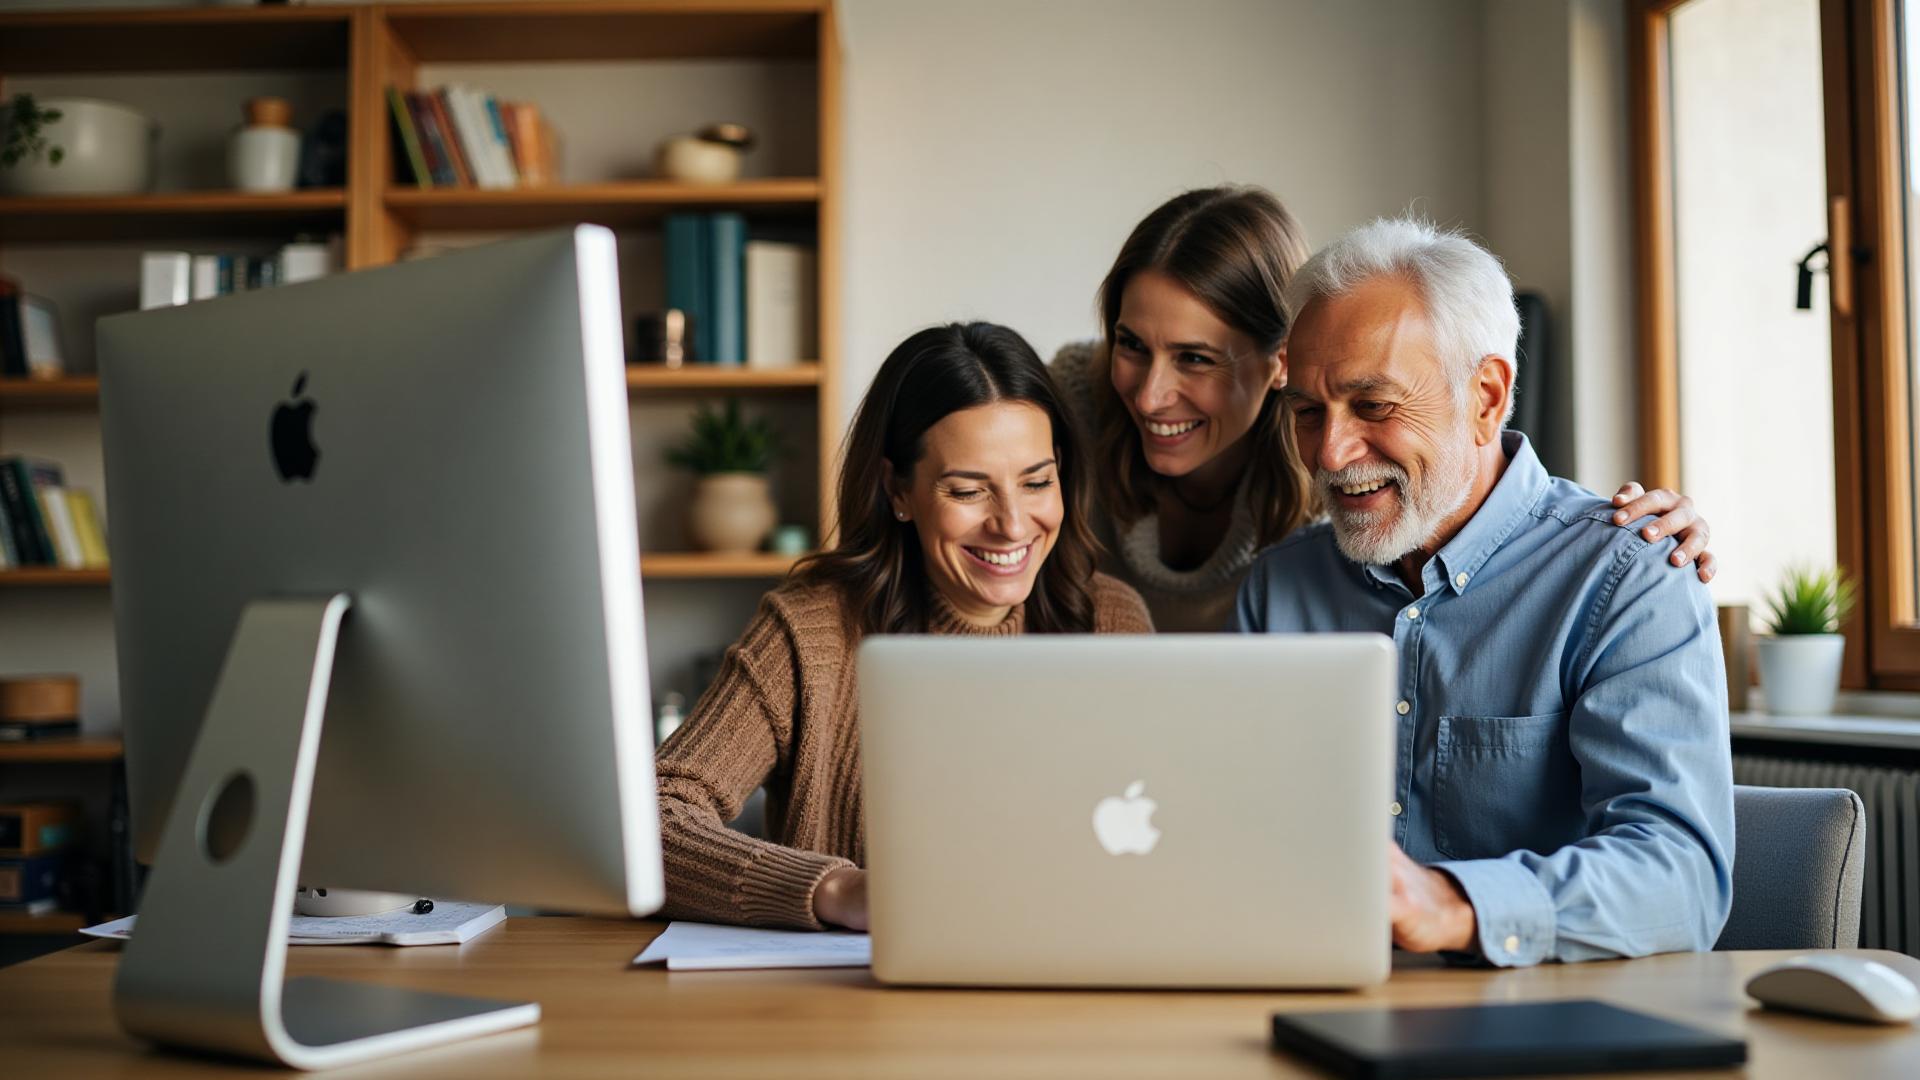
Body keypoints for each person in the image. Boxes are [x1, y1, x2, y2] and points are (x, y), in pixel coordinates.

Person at [1235, 217, 1734, 966]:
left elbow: (1680, 880)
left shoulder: (1629, 579)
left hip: (1540, 1013)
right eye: (1308, 411)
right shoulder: (1277, 590)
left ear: (1486, 397)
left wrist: (1452, 905)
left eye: (1374, 406)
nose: (1330, 453)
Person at [654, 322, 1153, 931]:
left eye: (1037, 482)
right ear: (898, 490)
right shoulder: (809, 634)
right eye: (968, 491)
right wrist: (837, 890)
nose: (1013, 524)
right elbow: (654, 820)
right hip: (854, 987)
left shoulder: (1111, 620)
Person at [1051, 186, 1716, 631]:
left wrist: (1637, 544)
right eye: (1130, 345)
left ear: (1281, 362)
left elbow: (1491, 510)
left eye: (1196, 358)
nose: (1148, 395)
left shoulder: (1343, 496)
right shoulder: (1065, 416)